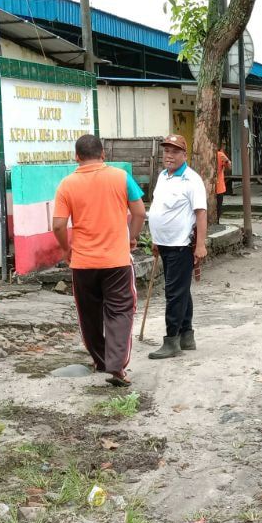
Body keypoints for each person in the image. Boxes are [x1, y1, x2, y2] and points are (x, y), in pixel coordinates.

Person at [52, 134, 148, 387]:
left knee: (89, 314)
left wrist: (66, 249)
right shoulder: (120, 177)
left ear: (77, 157)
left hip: (83, 262)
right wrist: (132, 237)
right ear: (103, 154)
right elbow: (139, 212)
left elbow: (59, 225)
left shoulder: (67, 184)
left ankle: (101, 360)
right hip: (116, 261)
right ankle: (116, 366)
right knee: (120, 311)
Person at [146, 134, 208, 360]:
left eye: (174, 151)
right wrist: (155, 238)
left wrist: (200, 244)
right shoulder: (163, 176)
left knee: (174, 293)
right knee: (181, 291)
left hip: (181, 246)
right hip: (164, 243)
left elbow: (201, 213)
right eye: (166, 151)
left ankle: (171, 340)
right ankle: (186, 335)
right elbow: (159, 208)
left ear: (184, 155)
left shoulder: (192, 180)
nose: (168, 156)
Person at [215, 143, 233, 224]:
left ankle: (216, 221)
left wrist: (227, 161)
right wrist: (228, 162)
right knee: (218, 207)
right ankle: (216, 221)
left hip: (216, 186)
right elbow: (229, 167)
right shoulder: (219, 154)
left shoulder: (219, 154)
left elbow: (229, 167)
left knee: (217, 207)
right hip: (216, 187)